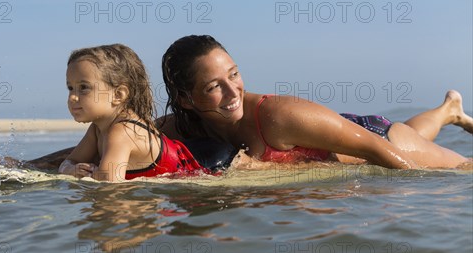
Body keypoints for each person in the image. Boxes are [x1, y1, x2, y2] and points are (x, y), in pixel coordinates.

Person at [160, 35, 473, 169]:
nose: (233, 91)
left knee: (461, 168)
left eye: (235, 74)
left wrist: (423, 192)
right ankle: (449, 110)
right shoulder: (177, 127)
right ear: (185, 99)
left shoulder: (278, 115)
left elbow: (373, 148)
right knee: (413, 134)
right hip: (344, 134)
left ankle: (448, 111)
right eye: (215, 86)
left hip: (376, 139)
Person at [57, 44, 206, 182]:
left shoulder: (123, 131)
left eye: (84, 87)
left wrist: (93, 175)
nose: (72, 97)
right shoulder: (97, 129)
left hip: (191, 176)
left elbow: (109, 187)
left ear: (118, 95)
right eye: (70, 88)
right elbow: (69, 162)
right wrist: (72, 169)